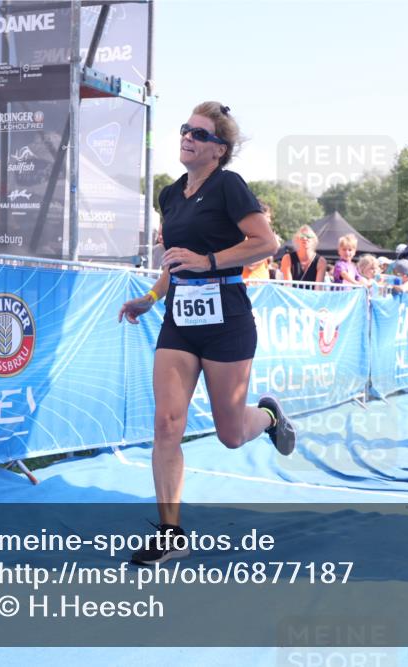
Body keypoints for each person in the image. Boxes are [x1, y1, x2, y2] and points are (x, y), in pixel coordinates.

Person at [118, 102, 295, 565]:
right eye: (184, 130)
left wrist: (209, 262)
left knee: (231, 435)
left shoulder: (229, 187)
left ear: (219, 150)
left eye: (199, 134)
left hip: (227, 320)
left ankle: (270, 418)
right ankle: (170, 532)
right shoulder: (169, 195)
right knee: (166, 425)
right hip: (179, 318)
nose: (187, 138)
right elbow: (177, 261)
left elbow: (266, 243)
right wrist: (151, 298)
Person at [242, 202, 274, 281]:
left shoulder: (262, 237)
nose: (270, 220)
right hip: (251, 288)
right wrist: (270, 250)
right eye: (268, 217)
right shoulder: (248, 237)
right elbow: (250, 264)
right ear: (260, 217)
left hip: (261, 288)